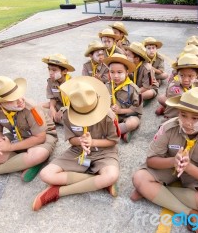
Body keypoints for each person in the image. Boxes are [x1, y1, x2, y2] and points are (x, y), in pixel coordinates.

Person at [131, 87, 198, 233]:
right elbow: (151, 160)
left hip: (195, 172)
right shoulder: (168, 127)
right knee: (139, 178)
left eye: (195, 118)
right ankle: (190, 213)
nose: (187, 122)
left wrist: (188, 167)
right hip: (168, 166)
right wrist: (173, 161)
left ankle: (154, 192)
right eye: (183, 115)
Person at [33, 76, 120, 211]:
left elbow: (113, 141)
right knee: (46, 174)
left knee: (111, 175)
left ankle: (58, 192)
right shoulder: (67, 114)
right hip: (78, 151)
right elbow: (71, 139)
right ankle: (99, 182)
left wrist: (93, 142)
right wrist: (80, 141)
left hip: (104, 153)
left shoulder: (109, 116)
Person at [0, 76, 58, 182]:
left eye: (19, 95)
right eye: (12, 100)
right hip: (17, 135)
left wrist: (9, 147)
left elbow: (40, 138)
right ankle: (27, 163)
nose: (20, 101)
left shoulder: (31, 108)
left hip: (43, 136)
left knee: (38, 154)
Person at [104, 53, 142, 143]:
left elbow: (137, 110)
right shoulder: (106, 86)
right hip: (111, 116)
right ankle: (121, 132)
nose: (116, 76)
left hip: (128, 115)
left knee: (133, 123)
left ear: (127, 72)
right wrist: (109, 110)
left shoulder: (133, 89)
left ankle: (112, 133)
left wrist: (120, 111)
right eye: (112, 72)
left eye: (119, 72)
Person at [42, 53, 75, 124]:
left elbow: (75, 104)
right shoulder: (51, 81)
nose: (50, 73)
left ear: (64, 71)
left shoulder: (72, 83)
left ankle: (54, 119)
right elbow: (53, 98)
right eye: (49, 69)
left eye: (54, 70)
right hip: (59, 104)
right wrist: (52, 108)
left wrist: (63, 110)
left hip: (71, 108)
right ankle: (54, 118)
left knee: (71, 119)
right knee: (38, 107)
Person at [124, 41, 159, 105]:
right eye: (126, 55)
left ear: (137, 59)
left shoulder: (147, 69)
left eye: (128, 55)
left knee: (147, 93)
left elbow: (146, 87)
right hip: (137, 86)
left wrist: (133, 93)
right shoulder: (130, 65)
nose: (126, 57)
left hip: (148, 88)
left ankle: (135, 102)